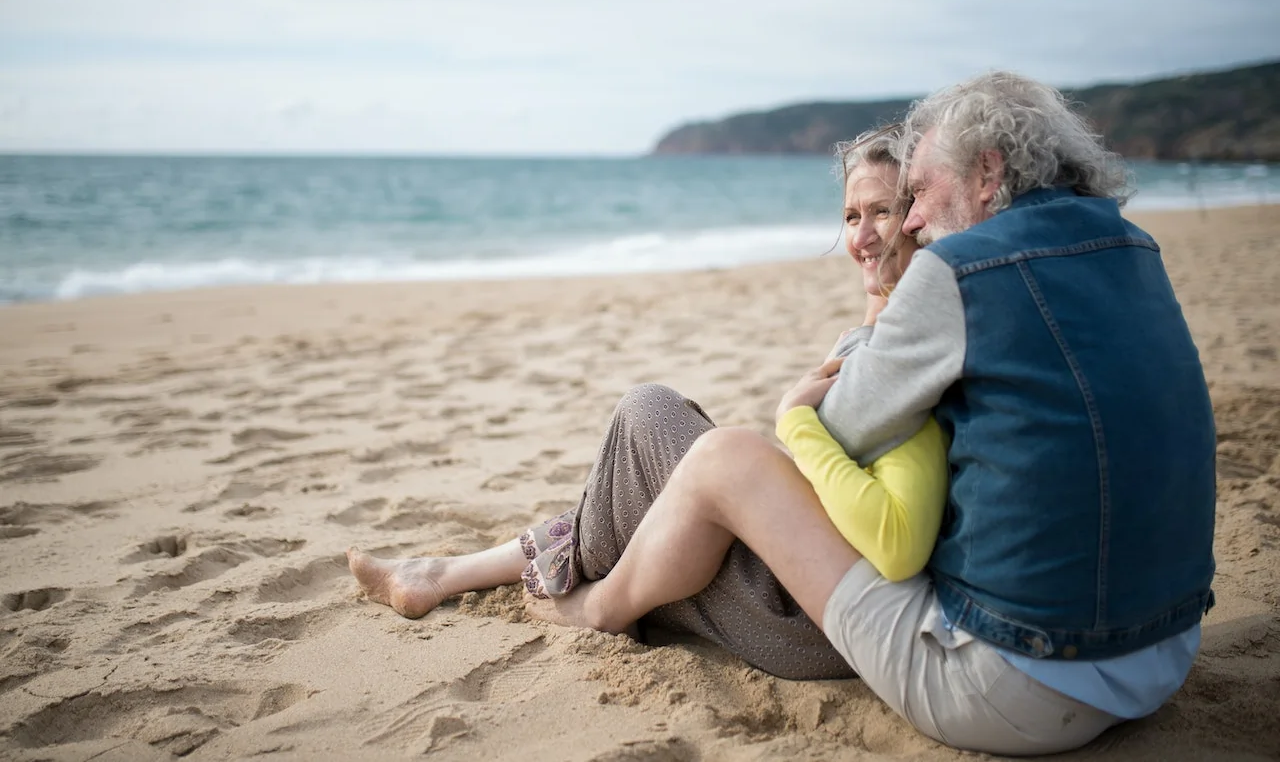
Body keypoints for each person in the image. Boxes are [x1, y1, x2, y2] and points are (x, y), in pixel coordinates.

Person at [507, 73, 1215, 756]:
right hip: (1161, 655)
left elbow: (841, 424)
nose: (910, 219)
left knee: (726, 457)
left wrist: (793, 411)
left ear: (989, 173)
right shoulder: (1135, 248)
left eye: (920, 193)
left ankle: (593, 604)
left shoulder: (963, 270)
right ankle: (550, 554)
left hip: (1020, 686)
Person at [347, 124, 949, 682]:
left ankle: (496, 583)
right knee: (650, 472)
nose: (862, 236)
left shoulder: (899, 351)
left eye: (882, 212)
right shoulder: (878, 331)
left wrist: (793, 421)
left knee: (648, 417)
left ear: (918, 217)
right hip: (796, 591)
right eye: (850, 216)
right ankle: (440, 575)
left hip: (806, 617)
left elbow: (875, 520)